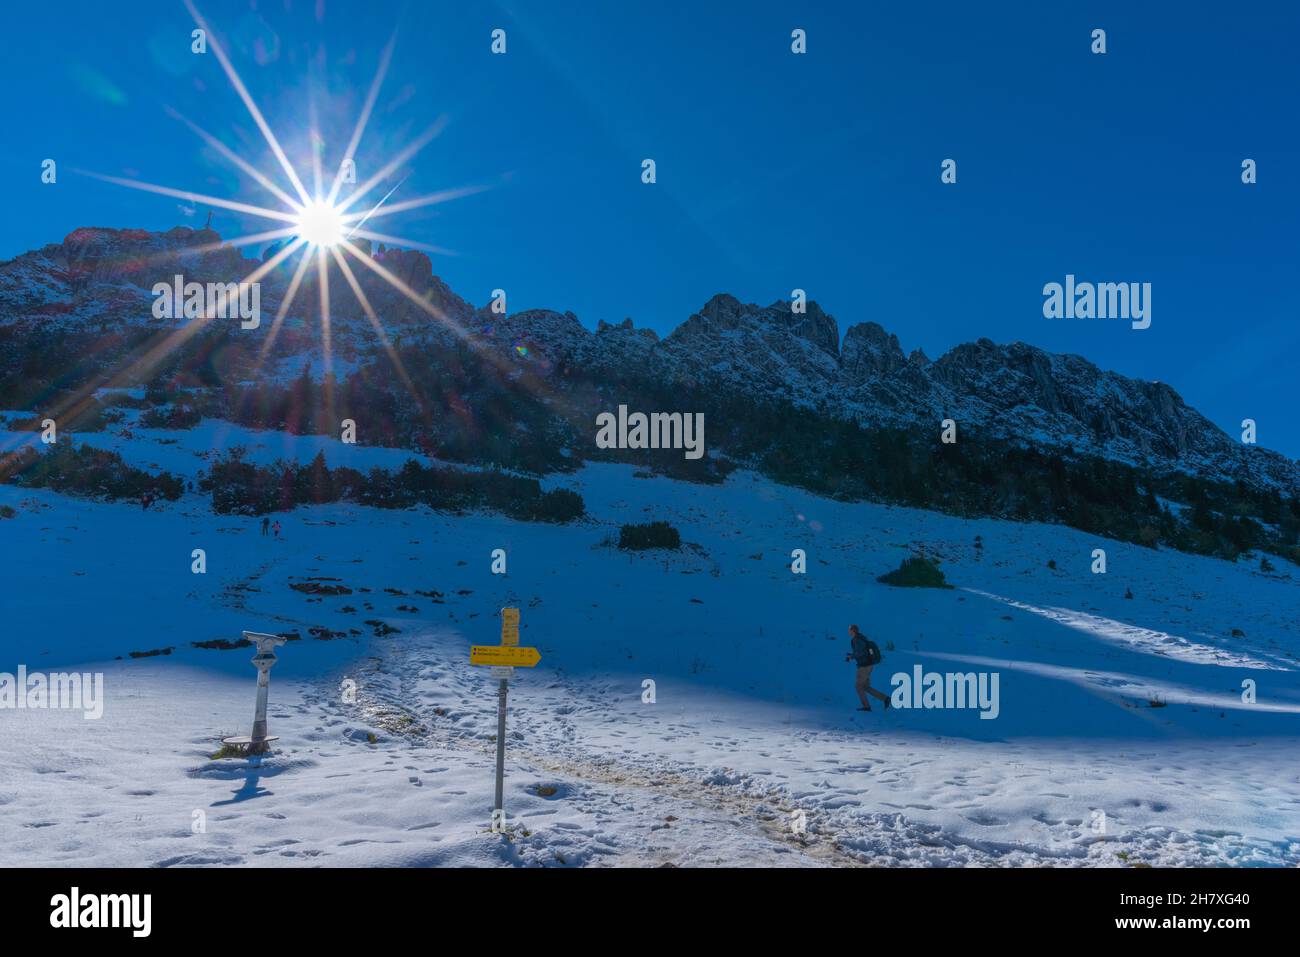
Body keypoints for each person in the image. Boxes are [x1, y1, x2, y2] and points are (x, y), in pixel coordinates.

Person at [845, 624, 890, 712]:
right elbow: (862, 651)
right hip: (869, 665)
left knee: (858, 686)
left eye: (849, 630)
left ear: (853, 631)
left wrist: (851, 657)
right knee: (865, 687)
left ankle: (867, 707)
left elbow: (860, 652)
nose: (848, 632)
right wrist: (852, 655)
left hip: (863, 667)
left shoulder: (856, 639)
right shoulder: (862, 638)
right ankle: (886, 699)